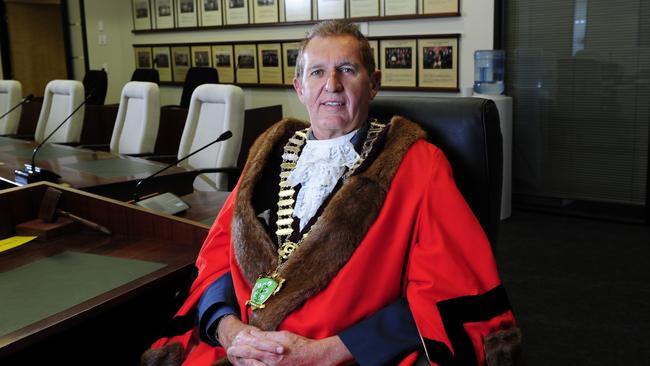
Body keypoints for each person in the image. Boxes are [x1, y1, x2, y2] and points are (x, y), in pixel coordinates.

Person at [142, 20, 521, 366]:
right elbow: (218, 260)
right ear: (299, 87)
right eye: (318, 72)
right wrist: (230, 332)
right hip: (241, 350)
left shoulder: (417, 162)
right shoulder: (269, 152)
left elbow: (445, 288)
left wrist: (325, 354)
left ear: (373, 83)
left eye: (347, 70)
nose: (332, 85)